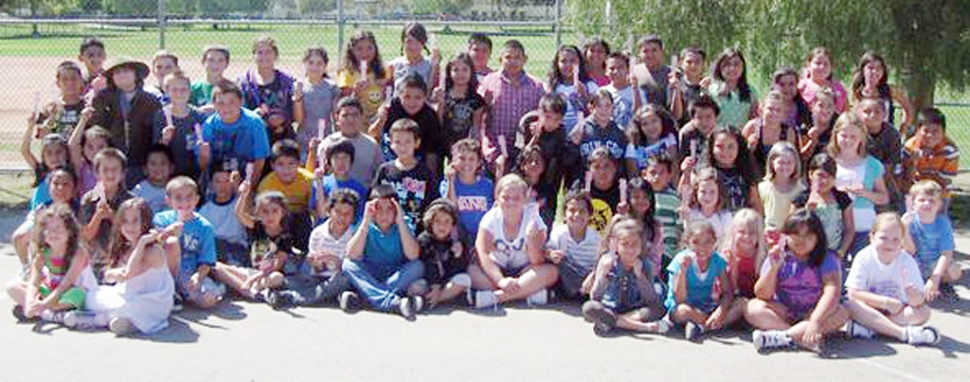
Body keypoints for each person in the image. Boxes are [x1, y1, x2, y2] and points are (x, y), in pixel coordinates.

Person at [746, 208, 849, 353]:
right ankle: (798, 337)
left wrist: (815, 320)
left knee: (842, 313)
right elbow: (762, 294)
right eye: (796, 235)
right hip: (785, 311)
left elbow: (832, 291)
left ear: (817, 237)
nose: (802, 240)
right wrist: (774, 268)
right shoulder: (779, 254)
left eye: (808, 235)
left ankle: (783, 337)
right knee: (752, 308)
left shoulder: (828, 258)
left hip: (813, 311)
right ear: (786, 236)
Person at [78, 199, 175, 335]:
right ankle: (113, 320)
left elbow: (130, 273)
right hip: (128, 295)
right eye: (125, 221)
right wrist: (112, 274)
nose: (130, 226)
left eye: (135, 221)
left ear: (145, 222)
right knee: (90, 297)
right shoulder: (125, 248)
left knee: (128, 307)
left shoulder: (154, 251)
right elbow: (109, 276)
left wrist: (142, 243)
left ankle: (102, 319)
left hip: (152, 302)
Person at [844, 213, 940, 346]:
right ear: (872, 237)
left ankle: (871, 329)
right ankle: (903, 334)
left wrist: (913, 296)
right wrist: (886, 302)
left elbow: (918, 302)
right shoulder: (864, 257)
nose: (889, 244)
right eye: (883, 238)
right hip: (870, 308)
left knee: (923, 313)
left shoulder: (907, 260)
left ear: (902, 241)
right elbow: (853, 293)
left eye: (895, 240)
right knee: (850, 305)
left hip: (898, 312)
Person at [470, 174, 558, 309]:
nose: (510, 202)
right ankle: (528, 291)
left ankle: (496, 297)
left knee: (551, 272)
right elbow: (483, 253)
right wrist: (501, 281)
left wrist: (531, 240)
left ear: (524, 200)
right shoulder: (490, 218)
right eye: (506, 197)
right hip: (496, 270)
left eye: (516, 198)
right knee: (471, 271)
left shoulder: (534, 220)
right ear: (497, 199)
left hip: (524, 270)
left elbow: (537, 261)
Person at [340, 185, 425, 319]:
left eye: (389, 209)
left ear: (396, 209)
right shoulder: (366, 222)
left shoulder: (403, 222)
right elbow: (352, 254)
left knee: (417, 266)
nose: (384, 214)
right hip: (371, 271)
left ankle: (366, 298)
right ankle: (393, 303)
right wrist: (366, 221)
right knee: (347, 264)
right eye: (379, 209)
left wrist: (400, 221)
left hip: (395, 273)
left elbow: (413, 255)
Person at [268, 189, 359, 308]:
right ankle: (337, 297)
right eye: (337, 212)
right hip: (317, 278)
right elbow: (316, 268)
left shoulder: (355, 235)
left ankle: (291, 297)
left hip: (338, 278)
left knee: (344, 280)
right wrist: (315, 263)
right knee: (289, 278)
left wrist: (339, 263)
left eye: (347, 214)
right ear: (329, 211)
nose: (341, 217)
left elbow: (356, 267)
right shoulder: (318, 233)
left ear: (353, 217)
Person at [6, 204, 92, 323]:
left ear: (70, 231)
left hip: (73, 291)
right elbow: (34, 282)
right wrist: (31, 301)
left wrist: (44, 304)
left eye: (58, 228)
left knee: (77, 295)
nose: (53, 233)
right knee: (12, 287)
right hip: (51, 291)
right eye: (48, 229)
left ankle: (46, 314)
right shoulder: (42, 254)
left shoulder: (78, 253)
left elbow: (66, 284)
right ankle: (53, 314)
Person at [583, 217, 668, 336]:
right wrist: (603, 275)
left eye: (634, 244)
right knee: (590, 308)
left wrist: (640, 276)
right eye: (625, 244)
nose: (630, 249)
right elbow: (595, 296)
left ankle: (613, 322)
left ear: (641, 246)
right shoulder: (607, 261)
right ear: (616, 245)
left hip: (634, 309)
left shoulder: (646, 264)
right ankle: (643, 327)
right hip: (610, 307)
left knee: (659, 309)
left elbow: (650, 299)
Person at [665, 220, 743, 342]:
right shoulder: (681, 260)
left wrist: (720, 311)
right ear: (687, 243)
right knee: (683, 311)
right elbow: (679, 299)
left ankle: (701, 327)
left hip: (705, 305)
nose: (702, 247)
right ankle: (711, 324)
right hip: (684, 308)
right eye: (696, 242)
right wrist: (683, 272)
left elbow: (727, 292)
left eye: (708, 242)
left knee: (742, 304)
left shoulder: (717, 260)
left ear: (715, 242)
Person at [87, 57, 162, 185]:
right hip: (113, 159)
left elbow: (155, 131)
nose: (122, 75)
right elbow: (96, 125)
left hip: (141, 159)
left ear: (136, 74)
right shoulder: (104, 98)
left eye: (126, 71)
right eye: (117, 73)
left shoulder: (150, 100)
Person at [153, 176, 224, 309]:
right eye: (178, 197)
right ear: (168, 200)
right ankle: (171, 291)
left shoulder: (205, 227)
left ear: (197, 199)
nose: (184, 202)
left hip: (189, 271)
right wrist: (169, 231)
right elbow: (154, 244)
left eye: (189, 197)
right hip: (164, 271)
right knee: (172, 242)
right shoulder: (161, 219)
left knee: (208, 300)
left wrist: (198, 276)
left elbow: (206, 259)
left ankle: (205, 289)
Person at [478, 40, 545, 173]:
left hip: (524, 146)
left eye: (517, 57)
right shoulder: (489, 82)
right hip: (496, 145)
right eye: (508, 57)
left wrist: (539, 123)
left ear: (525, 59)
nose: (513, 62)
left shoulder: (536, 86)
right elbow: (479, 112)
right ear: (500, 59)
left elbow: (543, 113)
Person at [215, 190, 294, 300]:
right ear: (258, 213)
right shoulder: (257, 226)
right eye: (265, 212)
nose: (270, 216)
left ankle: (245, 288)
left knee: (277, 278)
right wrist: (243, 194)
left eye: (275, 211)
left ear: (283, 212)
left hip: (267, 276)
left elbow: (276, 266)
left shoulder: (285, 237)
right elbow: (239, 213)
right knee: (216, 266)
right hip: (250, 272)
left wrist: (250, 280)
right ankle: (251, 291)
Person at [829, 113, 889, 257]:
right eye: (844, 136)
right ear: (836, 135)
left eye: (853, 137)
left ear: (862, 138)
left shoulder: (872, 165)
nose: (848, 140)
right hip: (835, 228)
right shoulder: (828, 161)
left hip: (864, 226)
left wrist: (864, 192)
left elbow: (884, 198)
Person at [371, 119, 439, 233]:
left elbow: (433, 203)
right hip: (387, 229)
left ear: (416, 143)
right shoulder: (384, 170)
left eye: (408, 141)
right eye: (398, 142)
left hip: (416, 231)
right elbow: (373, 198)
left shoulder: (424, 173)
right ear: (391, 144)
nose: (403, 147)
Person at [199, 80, 271, 183]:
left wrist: (250, 185)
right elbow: (204, 166)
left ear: (241, 102)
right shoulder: (209, 125)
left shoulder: (254, 122)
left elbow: (259, 160)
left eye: (232, 102)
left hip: (247, 177)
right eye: (221, 103)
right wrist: (203, 156)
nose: (226, 107)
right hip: (220, 180)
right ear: (213, 105)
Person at [79, 148, 135, 280]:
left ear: (122, 173)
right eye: (105, 170)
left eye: (115, 169)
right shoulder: (89, 199)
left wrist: (112, 217)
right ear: (97, 173)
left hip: (122, 257)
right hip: (95, 259)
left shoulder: (130, 200)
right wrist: (98, 216)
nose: (110, 174)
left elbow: (133, 233)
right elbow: (85, 235)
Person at [902, 181, 962, 303]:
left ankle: (938, 284)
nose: (927, 204)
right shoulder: (908, 221)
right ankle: (920, 284)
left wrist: (935, 278)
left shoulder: (942, 223)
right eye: (922, 200)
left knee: (954, 271)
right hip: (914, 262)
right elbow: (910, 251)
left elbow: (946, 253)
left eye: (932, 201)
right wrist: (905, 230)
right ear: (913, 203)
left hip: (933, 262)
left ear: (939, 205)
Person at [792, 153, 855, 258]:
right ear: (810, 174)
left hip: (832, 253)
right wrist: (806, 212)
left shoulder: (842, 199)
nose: (824, 181)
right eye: (820, 175)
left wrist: (842, 251)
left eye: (829, 176)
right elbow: (792, 229)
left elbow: (849, 229)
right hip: (807, 255)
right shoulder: (801, 199)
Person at [257, 139, 314, 251]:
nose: (286, 169)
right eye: (280, 164)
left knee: (302, 221)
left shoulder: (308, 180)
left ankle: (303, 251)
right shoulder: (267, 185)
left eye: (291, 164)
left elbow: (315, 210)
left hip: (300, 219)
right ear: (273, 165)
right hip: (277, 220)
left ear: (298, 164)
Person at [237, 36, 295, 144]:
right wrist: (254, 115)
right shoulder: (244, 82)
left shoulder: (287, 81)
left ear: (275, 55)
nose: (264, 56)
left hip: (282, 135)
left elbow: (295, 111)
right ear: (254, 55)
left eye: (268, 52)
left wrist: (283, 118)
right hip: (254, 136)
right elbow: (239, 112)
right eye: (260, 52)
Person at [546, 190, 601, 301]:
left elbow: (600, 265)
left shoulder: (596, 238)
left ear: (590, 215)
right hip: (567, 279)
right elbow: (547, 251)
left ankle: (589, 297)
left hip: (588, 279)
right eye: (571, 210)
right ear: (564, 215)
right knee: (558, 263)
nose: (576, 215)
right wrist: (551, 254)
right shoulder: (559, 233)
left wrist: (593, 276)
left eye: (582, 211)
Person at [416, 199, 471, 308]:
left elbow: (459, 269)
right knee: (415, 288)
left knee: (464, 279)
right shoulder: (424, 239)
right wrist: (435, 286)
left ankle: (431, 300)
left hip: (448, 280)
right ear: (430, 222)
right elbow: (429, 264)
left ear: (453, 225)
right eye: (437, 221)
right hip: (430, 281)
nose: (442, 226)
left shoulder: (457, 240)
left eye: (447, 221)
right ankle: (442, 297)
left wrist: (458, 256)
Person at [315, 97, 383, 186]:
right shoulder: (327, 144)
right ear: (337, 119)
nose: (350, 119)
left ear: (362, 117)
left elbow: (379, 176)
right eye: (345, 115)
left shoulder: (372, 145)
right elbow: (319, 175)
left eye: (355, 115)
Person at [440, 138, 493, 246]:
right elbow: (450, 209)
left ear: (478, 162)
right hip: (458, 237)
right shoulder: (447, 183)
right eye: (462, 158)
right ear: (453, 161)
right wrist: (451, 180)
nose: (466, 163)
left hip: (481, 235)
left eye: (472, 159)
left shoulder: (487, 185)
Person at [154, 70, 205, 179]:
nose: (179, 94)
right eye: (174, 90)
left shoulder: (197, 115)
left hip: (194, 170)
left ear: (190, 91)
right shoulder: (162, 115)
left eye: (183, 90)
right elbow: (155, 150)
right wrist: (165, 140)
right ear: (167, 91)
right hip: (169, 172)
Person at [902, 108, 959, 204]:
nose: (930, 135)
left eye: (936, 131)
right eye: (926, 131)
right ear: (918, 131)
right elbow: (905, 179)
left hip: (940, 192)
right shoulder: (910, 147)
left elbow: (945, 180)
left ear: (943, 132)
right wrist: (913, 163)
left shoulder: (949, 150)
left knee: (938, 214)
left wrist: (930, 195)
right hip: (915, 190)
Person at [198, 160, 249, 267]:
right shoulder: (205, 210)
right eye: (217, 181)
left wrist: (240, 191)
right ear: (211, 184)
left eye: (226, 181)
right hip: (214, 250)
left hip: (237, 250)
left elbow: (253, 215)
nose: (222, 186)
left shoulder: (241, 203)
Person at [292, 47, 341, 156]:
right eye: (311, 63)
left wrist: (337, 141)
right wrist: (298, 97)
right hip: (304, 141)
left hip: (326, 140)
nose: (315, 67)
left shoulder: (332, 87)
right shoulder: (298, 86)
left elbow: (336, 118)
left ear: (325, 66)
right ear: (304, 64)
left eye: (319, 63)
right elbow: (298, 120)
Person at [433, 53, 486, 153]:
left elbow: (476, 127)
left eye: (465, 69)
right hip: (443, 142)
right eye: (456, 70)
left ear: (471, 72)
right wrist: (440, 104)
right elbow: (437, 123)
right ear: (449, 72)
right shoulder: (443, 95)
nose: (460, 74)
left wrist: (473, 147)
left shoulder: (476, 100)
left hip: (464, 146)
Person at [850, 51, 914, 129]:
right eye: (870, 68)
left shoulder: (890, 90)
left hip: (886, 137)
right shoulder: (858, 91)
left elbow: (907, 108)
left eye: (878, 68)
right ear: (863, 70)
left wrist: (902, 129)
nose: (874, 72)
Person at [336, 30, 388, 123]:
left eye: (369, 48)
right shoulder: (347, 74)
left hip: (378, 122)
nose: (365, 53)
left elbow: (387, 97)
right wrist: (356, 93)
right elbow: (345, 105)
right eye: (359, 49)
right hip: (356, 122)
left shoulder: (382, 72)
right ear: (352, 51)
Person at [548, 44, 599, 133]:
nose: (568, 65)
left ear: (580, 63)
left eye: (573, 61)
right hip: (557, 132)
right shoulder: (552, 86)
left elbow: (597, 112)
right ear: (557, 64)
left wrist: (584, 96)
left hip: (583, 132)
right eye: (563, 61)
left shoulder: (589, 85)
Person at [758, 142, 806, 234]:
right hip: (768, 235)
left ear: (796, 164)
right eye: (781, 162)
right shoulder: (762, 187)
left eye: (789, 163)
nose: (785, 166)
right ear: (772, 162)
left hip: (790, 236)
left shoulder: (801, 190)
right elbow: (759, 214)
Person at [706, 48, 758, 129]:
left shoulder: (751, 91)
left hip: (741, 138)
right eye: (727, 64)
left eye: (736, 64)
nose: (732, 68)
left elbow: (753, 119)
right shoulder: (711, 90)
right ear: (720, 68)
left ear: (743, 67)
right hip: (718, 137)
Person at [720, 209, 765, 299]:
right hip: (733, 298)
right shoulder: (727, 255)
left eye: (752, 233)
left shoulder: (763, 256)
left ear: (759, 235)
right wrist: (733, 268)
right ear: (733, 232)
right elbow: (728, 291)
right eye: (741, 232)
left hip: (757, 300)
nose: (746, 237)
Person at [35, 61, 86, 138]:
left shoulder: (87, 106)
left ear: (81, 81)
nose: (70, 83)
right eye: (65, 79)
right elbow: (41, 136)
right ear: (58, 83)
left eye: (74, 78)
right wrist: (52, 118)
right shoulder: (50, 107)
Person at [386, 22, 438, 95]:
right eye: (409, 41)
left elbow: (429, 92)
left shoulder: (430, 65)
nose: (413, 46)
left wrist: (434, 66)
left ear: (424, 43)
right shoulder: (393, 66)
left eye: (418, 41)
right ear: (403, 42)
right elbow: (386, 92)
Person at [798, 47, 847, 114]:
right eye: (818, 63)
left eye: (826, 64)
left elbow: (846, 113)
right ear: (808, 65)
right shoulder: (801, 87)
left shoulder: (838, 88)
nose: (822, 67)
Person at [132, 145, 175, 213]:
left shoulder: (177, 188)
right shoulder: (139, 190)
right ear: (145, 169)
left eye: (163, 163)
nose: (158, 168)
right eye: (153, 164)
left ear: (171, 168)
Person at [189, 45, 231, 110]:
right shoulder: (193, 88)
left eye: (220, 60)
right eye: (211, 60)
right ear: (203, 62)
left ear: (227, 64)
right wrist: (199, 111)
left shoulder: (233, 89)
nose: (215, 65)